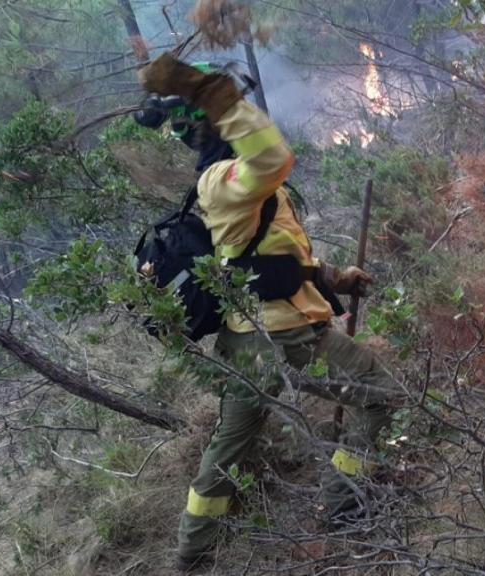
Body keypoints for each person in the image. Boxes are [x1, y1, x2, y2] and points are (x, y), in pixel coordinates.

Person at [136, 53, 397, 572]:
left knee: (229, 447)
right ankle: (345, 508)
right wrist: (210, 91)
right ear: (215, 123)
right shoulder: (225, 179)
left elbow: (262, 258)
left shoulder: (234, 182)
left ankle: (192, 553)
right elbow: (275, 156)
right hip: (284, 337)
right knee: (381, 395)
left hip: (247, 341)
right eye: (233, 109)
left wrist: (328, 277)